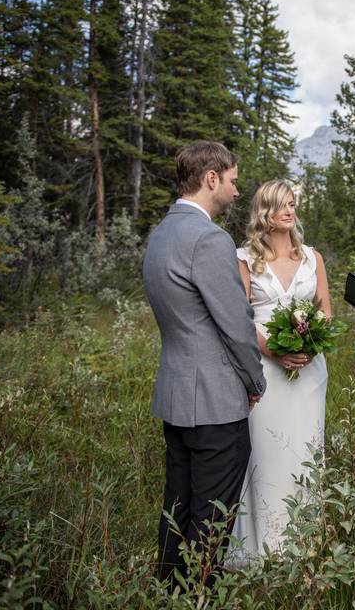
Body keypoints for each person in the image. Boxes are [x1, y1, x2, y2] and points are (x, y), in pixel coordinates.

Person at [142, 140, 266, 588]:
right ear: (210, 178)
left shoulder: (160, 235)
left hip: (176, 399)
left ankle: (168, 592)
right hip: (215, 404)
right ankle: (197, 597)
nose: (236, 192)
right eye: (232, 182)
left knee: (177, 512)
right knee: (211, 522)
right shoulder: (210, 239)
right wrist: (255, 382)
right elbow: (236, 324)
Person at [228, 179, 332, 563]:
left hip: (308, 372)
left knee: (305, 452)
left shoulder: (312, 257)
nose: (289, 211)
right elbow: (240, 317)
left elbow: (325, 310)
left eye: (292, 204)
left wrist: (308, 342)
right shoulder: (244, 258)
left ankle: (303, 546)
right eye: (280, 205)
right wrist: (272, 350)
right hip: (265, 373)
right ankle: (262, 550)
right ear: (264, 213)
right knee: (267, 454)